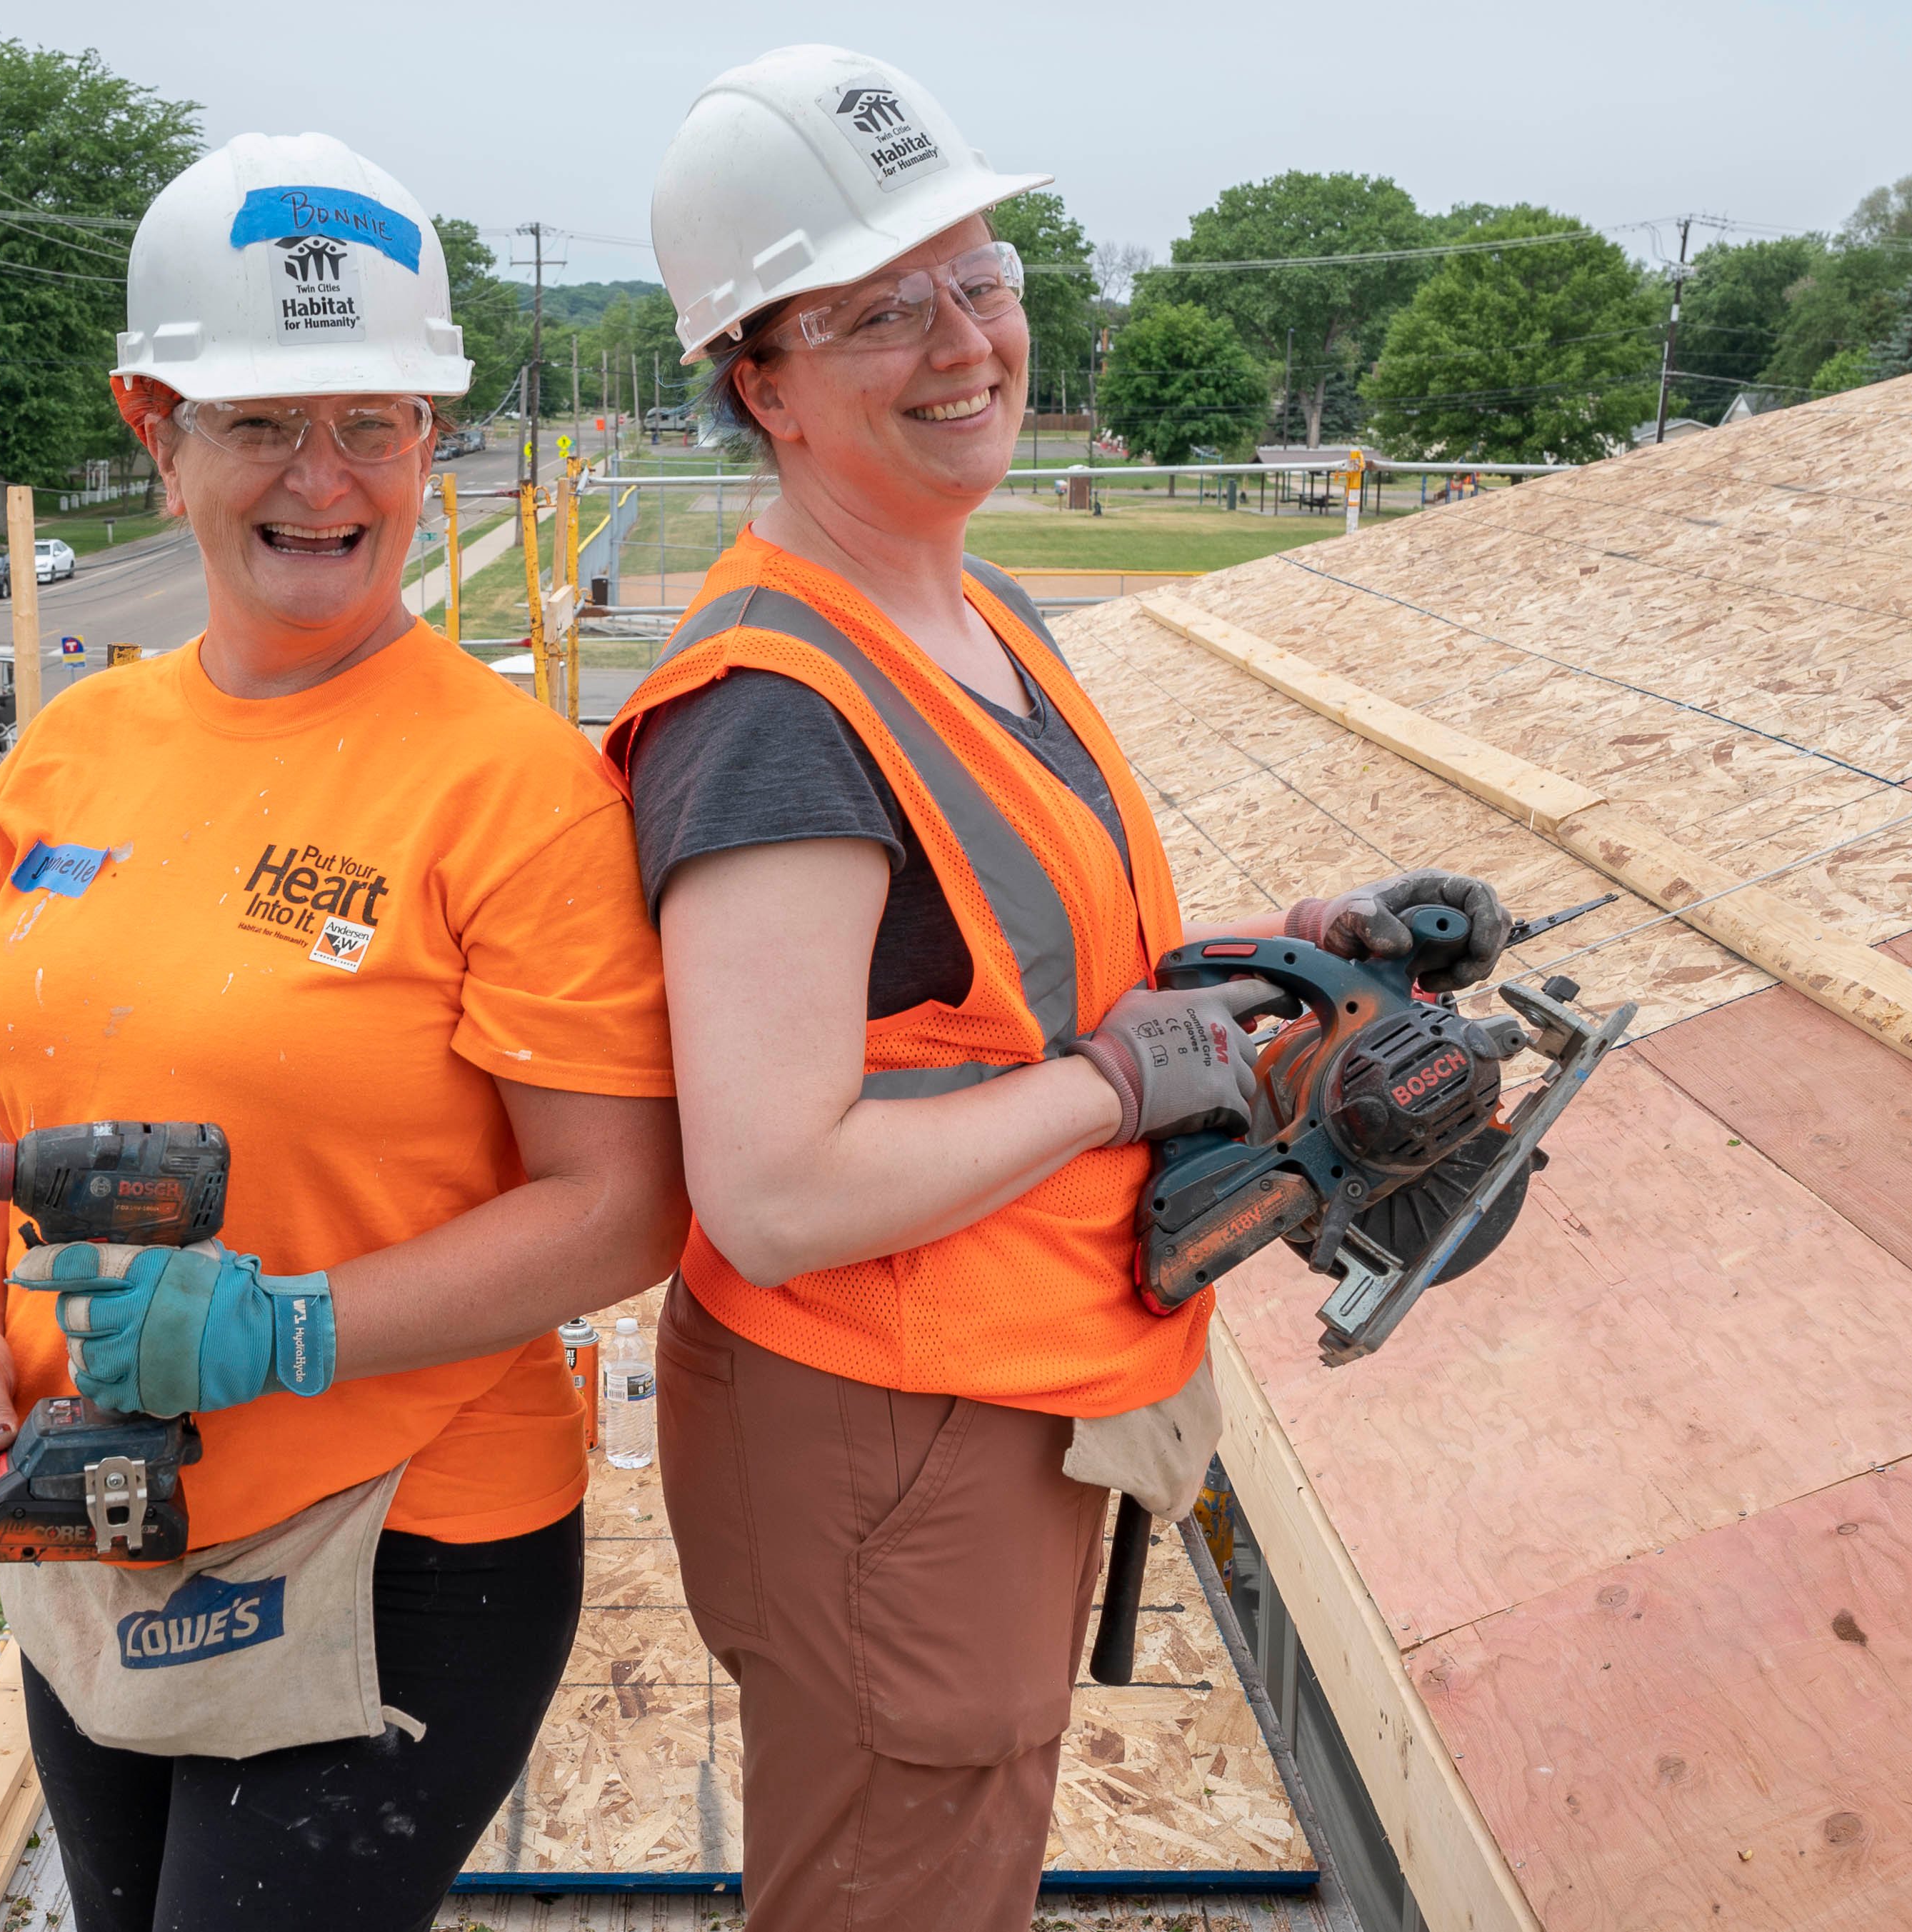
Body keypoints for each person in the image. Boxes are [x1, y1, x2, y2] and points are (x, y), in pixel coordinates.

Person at [610, 48, 1509, 1931]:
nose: (964, 339)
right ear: (760, 385)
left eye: (981, 274)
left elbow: (1028, 988)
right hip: (886, 1437)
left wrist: (1286, 962)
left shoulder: (969, 605)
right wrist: (1119, 1087)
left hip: (995, 1402)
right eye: (877, 309)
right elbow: (771, 1194)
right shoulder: (776, 717)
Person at [0, 133, 687, 1932]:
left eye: (376, 423)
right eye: (261, 423)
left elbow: (619, 1209)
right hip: (96, 1497)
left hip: (397, 1530)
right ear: (151, 426)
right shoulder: (72, 752)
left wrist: (286, 1326)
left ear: (434, 438)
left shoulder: (513, 791)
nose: (324, 481)